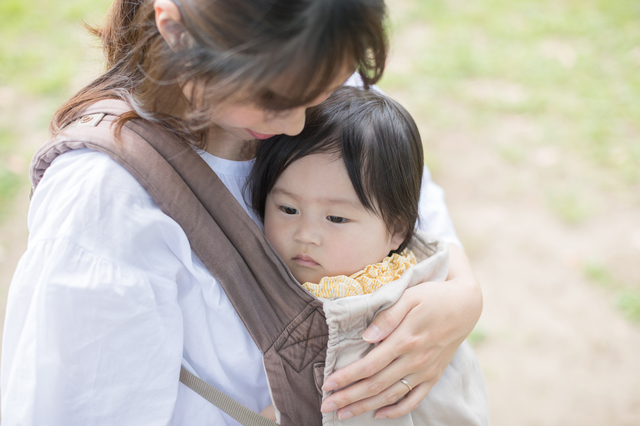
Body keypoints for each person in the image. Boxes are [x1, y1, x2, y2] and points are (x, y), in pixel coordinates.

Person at [0, 0, 483, 424]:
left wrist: (462, 292)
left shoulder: (305, 61)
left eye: (324, 88)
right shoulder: (106, 203)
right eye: (273, 99)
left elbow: (403, 191)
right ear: (176, 30)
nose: (298, 122)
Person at [249, 86, 489, 423]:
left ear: (396, 232)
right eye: (288, 209)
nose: (305, 234)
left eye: (336, 218)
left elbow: (361, 397)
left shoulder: (385, 307)